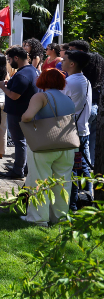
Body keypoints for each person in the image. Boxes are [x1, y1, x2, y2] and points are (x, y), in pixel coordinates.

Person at [20, 69, 76, 226]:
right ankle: (59, 217)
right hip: (66, 144)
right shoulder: (68, 99)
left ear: (43, 80)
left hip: (44, 143)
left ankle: (38, 218)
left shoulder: (40, 96)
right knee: (63, 181)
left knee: (38, 179)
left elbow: (27, 116)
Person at [0, 46, 39, 180]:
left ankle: (18, 170)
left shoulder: (22, 74)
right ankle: (22, 166)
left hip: (18, 113)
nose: (9, 62)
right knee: (23, 142)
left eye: (9, 59)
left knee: (19, 141)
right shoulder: (32, 70)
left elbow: (14, 96)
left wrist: (3, 86)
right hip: (26, 111)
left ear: (16, 58)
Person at [67, 40, 103, 186]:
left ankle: (85, 190)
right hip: (92, 110)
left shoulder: (78, 78)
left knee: (81, 156)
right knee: (87, 152)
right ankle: (90, 187)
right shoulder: (94, 71)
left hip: (82, 117)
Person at [61, 50, 92, 210]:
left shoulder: (69, 82)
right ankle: (87, 200)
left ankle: (72, 205)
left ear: (72, 64)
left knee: (71, 170)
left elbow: (57, 104)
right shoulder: (85, 80)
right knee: (82, 168)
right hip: (82, 130)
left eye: (64, 59)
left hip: (71, 133)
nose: (61, 61)